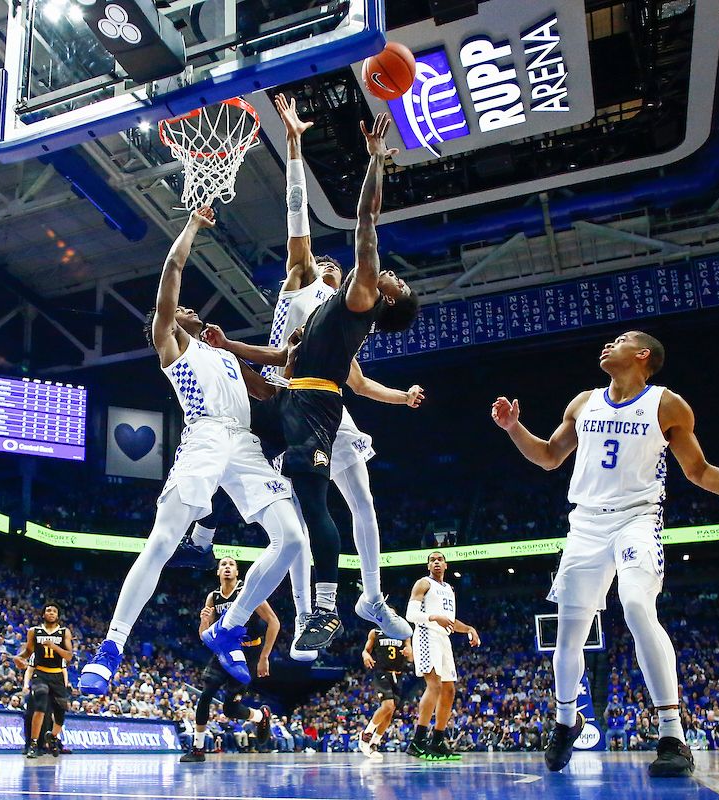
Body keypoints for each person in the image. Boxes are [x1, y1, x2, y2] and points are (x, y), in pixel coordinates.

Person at [491, 330, 719, 775]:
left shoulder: (667, 404)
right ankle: (565, 720)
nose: (607, 344)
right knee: (569, 633)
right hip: (584, 524)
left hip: (638, 519)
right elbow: (547, 457)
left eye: (619, 340)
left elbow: (698, 471)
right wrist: (513, 429)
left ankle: (672, 735)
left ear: (642, 355)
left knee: (637, 605)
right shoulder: (583, 402)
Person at [211, 95, 422, 660]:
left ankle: (339, 607)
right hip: (288, 391)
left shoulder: (354, 299)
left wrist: (377, 158)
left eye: (390, 277)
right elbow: (298, 219)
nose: (330, 262)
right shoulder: (311, 286)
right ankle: (212, 545)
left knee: (338, 507)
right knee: (293, 513)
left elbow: (367, 223)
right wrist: (295, 146)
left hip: (315, 403)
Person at [79, 207, 311, 695]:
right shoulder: (170, 344)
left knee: (292, 540)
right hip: (204, 436)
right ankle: (112, 646)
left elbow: (268, 392)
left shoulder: (224, 352)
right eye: (183, 309)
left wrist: (293, 356)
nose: (191, 311)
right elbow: (172, 271)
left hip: (245, 444)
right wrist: (192, 226)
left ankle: (230, 627)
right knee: (162, 542)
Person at [181, 557, 278, 762]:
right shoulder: (213, 597)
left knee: (230, 709)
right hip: (224, 651)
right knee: (205, 695)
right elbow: (205, 635)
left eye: (231, 564)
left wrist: (264, 657)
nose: (227, 567)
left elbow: (274, 622)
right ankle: (198, 748)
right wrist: (205, 621)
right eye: (223, 565)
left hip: (248, 654)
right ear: (218, 572)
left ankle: (261, 716)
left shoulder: (247, 592)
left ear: (237, 572)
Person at [405, 551, 480, 761]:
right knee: (435, 686)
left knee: (449, 690)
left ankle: (437, 741)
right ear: (429, 566)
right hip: (426, 634)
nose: (436, 562)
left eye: (440, 559)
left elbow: (451, 622)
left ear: (446, 565)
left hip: (444, 638)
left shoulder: (449, 589)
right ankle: (418, 742)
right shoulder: (423, 584)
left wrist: (469, 629)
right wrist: (433, 617)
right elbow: (410, 615)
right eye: (432, 560)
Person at [14, 602, 72, 759]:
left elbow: (69, 656)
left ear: (58, 615)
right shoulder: (34, 631)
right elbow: (28, 651)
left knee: (60, 714)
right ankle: (33, 744)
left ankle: (52, 737)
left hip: (57, 675)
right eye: (48, 610)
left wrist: (55, 647)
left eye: (54, 611)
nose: (51, 613)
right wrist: (18, 658)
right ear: (43, 614)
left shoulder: (64, 632)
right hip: (40, 673)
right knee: (39, 704)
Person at [358, 626, 412, 759]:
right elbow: (366, 651)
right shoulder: (375, 632)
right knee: (387, 705)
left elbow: (411, 658)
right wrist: (366, 656)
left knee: (390, 711)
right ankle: (366, 735)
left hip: (398, 675)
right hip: (382, 673)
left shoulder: (403, 632)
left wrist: (409, 651)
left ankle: (374, 744)